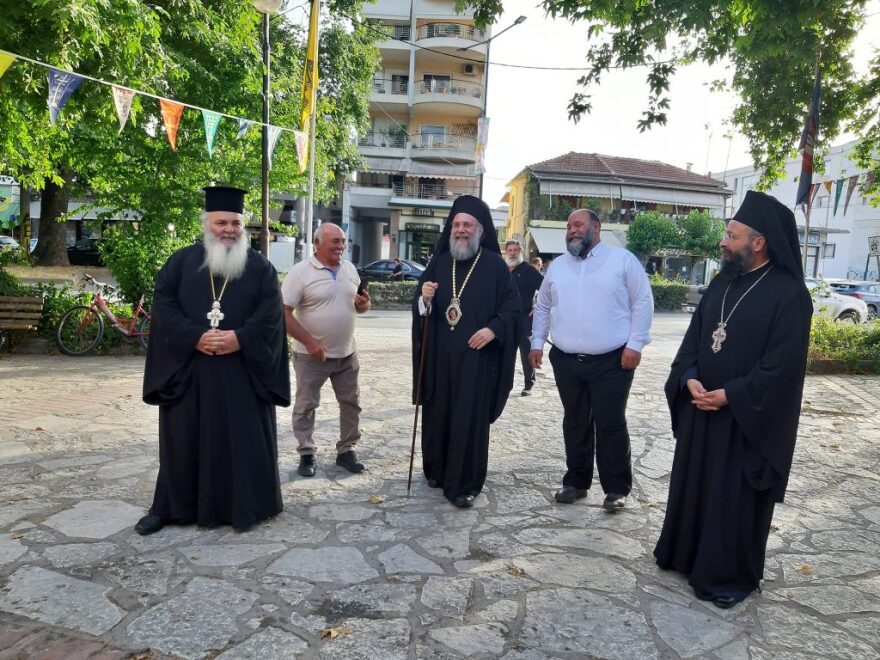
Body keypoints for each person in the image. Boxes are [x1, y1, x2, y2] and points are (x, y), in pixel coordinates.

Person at [654, 191, 812, 609]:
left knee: (731, 499)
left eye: (731, 235)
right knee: (696, 486)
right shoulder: (722, 283)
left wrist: (732, 395)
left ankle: (726, 574)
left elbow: (782, 366)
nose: (723, 241)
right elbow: (693, 341)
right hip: (702, 410)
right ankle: (685, 556)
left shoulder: (789, 294)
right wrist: (688, 378)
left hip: (745, 422)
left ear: (758, 242)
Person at [136, 186, 290, 535]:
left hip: (242, 375)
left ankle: (245, 506)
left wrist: (240, 338)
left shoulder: (261, 269)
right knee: (182, 442)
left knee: (240, 442)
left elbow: (271, 315)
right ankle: (170, 507)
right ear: (206, 223)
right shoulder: (180, 263)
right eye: (222, 223)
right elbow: (164, 306)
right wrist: (195, 336)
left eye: (236, 223)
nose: (229, 230)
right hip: (190, 372)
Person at [530, 209, 653, 511]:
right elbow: (543, 306)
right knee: (574, 421)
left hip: (612, 361)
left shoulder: (622, 261)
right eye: (568, 226)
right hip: (566, 360)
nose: (572, 230)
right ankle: (576, 482)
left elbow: (642, 302)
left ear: (596, 228)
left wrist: (635, 345)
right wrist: (536, 343)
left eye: (578, 225)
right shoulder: (557, 267)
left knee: (610, 423)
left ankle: (616, 489)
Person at [413, 195, 521, 508]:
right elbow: (420, 310)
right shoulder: (439, 263)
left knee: (467, 419)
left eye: (468, 225)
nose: (461, 230)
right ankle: (436, 470)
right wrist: (424, 298)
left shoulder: (495, 266)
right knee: (439, 413)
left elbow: (513, 309)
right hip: (440, 359)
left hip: (476, 361)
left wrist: (493, 330)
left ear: (481, 231)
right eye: (457, 225)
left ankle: (464, 483)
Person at [282, 223, 371, 478]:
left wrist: (364, 304)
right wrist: (310, 342)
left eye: (343, 241)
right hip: (310, 355)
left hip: (346, 354)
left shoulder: (349, 269)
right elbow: (283, 313)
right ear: (317, 243)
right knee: (306, 406)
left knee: (351, 404)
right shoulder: (300, 272)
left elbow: (362, 308)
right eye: (335, 241)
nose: (341, 246)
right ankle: (306, 452)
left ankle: (346, 450)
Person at [504, 239, 543, 396]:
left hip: (524, 319)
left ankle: (529, 384)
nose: (513, 253)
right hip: (505, 319)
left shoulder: (529, 270)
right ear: (506, 253)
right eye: (510, 250)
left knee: (526, 353)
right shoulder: (502, 270)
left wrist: (537, 306)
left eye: (516, 250)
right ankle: (505, 385)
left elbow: (546, 289)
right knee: (507, 354)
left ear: (521, 252)